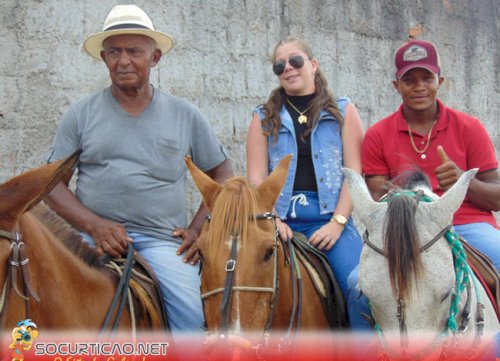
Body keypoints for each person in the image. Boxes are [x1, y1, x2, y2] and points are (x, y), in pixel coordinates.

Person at [45, 4, 233, 335]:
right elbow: (52, 185)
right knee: (47, 301)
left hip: (162, 241)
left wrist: (199, 228)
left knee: (192, 315)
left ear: (155, 58)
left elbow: (222, 175)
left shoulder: (184, 114)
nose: (123, 60)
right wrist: (95, 225)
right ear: (104, 59)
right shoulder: (81, 113)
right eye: (114, 52)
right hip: (88, 238)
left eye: (134, 51)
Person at [348, 39, 500, 329]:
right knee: (356, 284)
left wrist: (462, 180)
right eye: (409, 79)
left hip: (469, 226)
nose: (419, 86)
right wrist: (408, 189)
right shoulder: (379, 134)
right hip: (407, 234)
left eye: (426, 78)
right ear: (396, 85)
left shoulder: (469, 128)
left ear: (439, 81)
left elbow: (497, 197)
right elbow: (378, 198)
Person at [246, 37, 365, 319]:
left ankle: (365, 360)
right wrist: (272, 220)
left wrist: (337, 224)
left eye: (295, 60)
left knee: (361, 286)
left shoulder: (344, 112)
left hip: (330, 220)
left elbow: (355, 174)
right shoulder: (262, 118)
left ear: (312, 65)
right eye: (279, 65)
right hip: (279, 221)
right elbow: (256, 180)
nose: (288, 68)